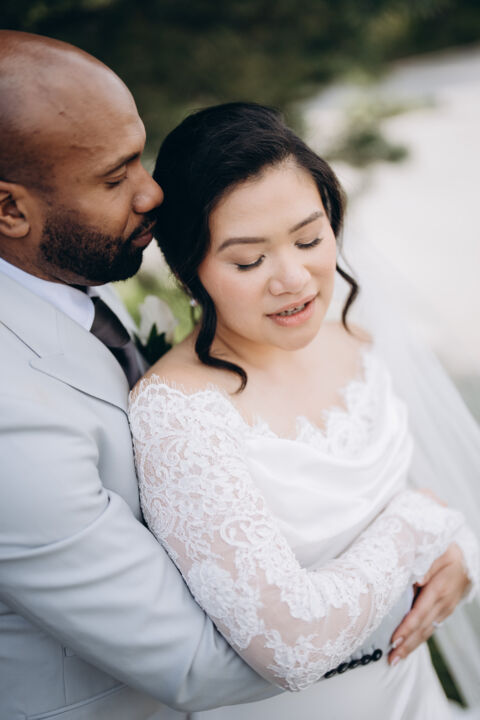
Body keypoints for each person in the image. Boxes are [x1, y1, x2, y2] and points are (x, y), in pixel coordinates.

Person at [128, 102, 480, 719]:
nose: (293, 278)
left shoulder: (357, 338)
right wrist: (420, 527)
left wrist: (458, 556)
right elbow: (292, 646)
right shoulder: (177, 413)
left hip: (414, 697)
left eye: (310, 239)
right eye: (249, 260)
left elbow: (441, 503)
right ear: (189, 268)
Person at [0, 32, 290, 720]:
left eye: (139, 154)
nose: (152, 192)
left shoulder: (63, 272)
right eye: (114, 178)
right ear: (9, 210)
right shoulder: (11, 417)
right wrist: (408, 580)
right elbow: (194, 664)